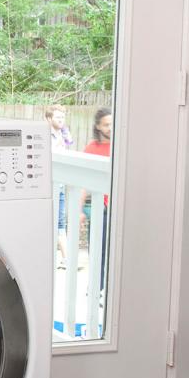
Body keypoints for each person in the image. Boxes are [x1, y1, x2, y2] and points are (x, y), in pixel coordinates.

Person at [82, 107, 113, 304]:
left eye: (112, 124)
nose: (110, 128)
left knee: (113, 250)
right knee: (97, 249)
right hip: (98, 206)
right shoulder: (91, 148)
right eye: (106, 124)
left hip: (115, 206)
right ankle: (96, 286)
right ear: (98, 126)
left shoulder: (119, 146)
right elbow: (84, 180)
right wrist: (78, 210)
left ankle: (110, 288)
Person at [45, 105, 73, 268]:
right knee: (52, 220)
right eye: (58, 117)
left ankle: (65, 258)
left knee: (60, 221)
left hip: (60, 183)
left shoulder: (63, 134)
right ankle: (64, 257)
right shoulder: (45, 136)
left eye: (63, 117)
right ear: (49, 119)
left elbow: (69, 146)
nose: (61, 120)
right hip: (50, 183)